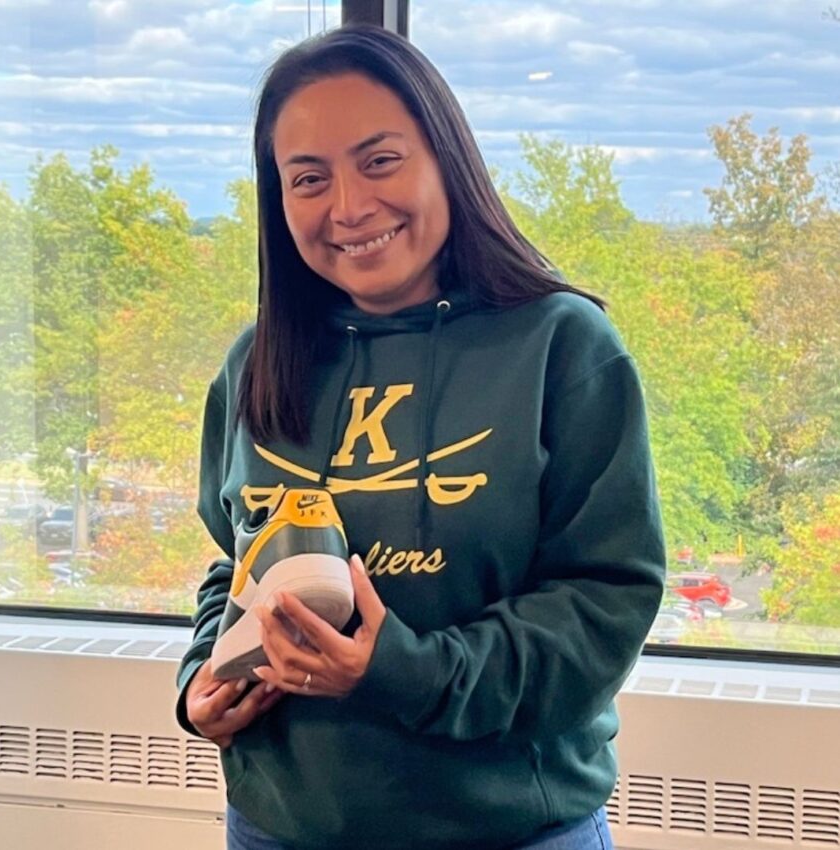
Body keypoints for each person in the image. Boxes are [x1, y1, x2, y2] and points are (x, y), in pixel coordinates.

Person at [175, 23, 666, 850]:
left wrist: (401, 670)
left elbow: (603, 603)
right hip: (279, 825)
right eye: (308, 178)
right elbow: (238, 560)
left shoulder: (561, 346)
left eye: (379, 160)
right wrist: (203, 680)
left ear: (446, 157)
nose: (348, 207)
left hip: (511, 829)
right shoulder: (258, 361)